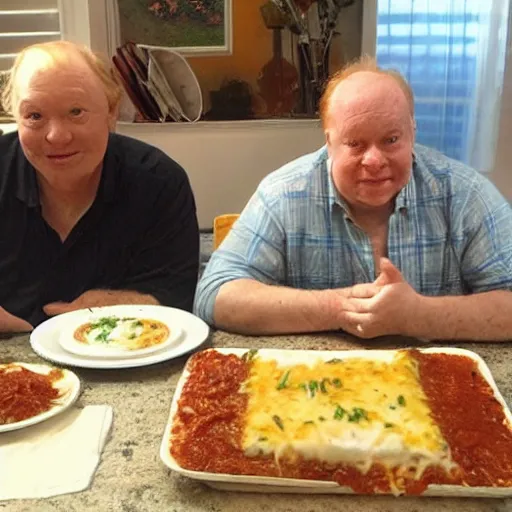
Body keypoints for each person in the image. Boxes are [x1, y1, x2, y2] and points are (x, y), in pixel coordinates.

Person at [194, 56, 512, 341]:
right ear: (329, 143)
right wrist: (339, 307)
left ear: (413, 132)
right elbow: (214, 295)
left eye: (391, 139)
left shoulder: (466, 193)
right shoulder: (283, 194)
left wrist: (419, 316)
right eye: (356, 143)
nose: (374, 160)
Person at [0, 41, 199, 332]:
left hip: (125, 353)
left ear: (111, 111)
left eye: (76, 112)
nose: (56, 136)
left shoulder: (161, 183)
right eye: (34, 116)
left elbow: (176, 299)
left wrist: (120, 305)